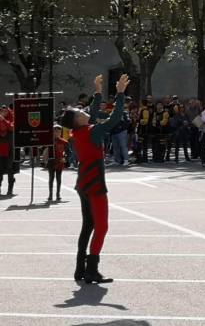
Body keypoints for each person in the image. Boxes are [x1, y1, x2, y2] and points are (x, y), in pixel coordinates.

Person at [59, 73, 129, 283]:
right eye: (80, 111)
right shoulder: (92, 132)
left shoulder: (78, 133)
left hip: (83, 184)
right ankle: (91, 269)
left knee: (88, 226)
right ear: (77, 119)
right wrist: (119, 94)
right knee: (102, 227)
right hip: (95, 185)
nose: (84, 111)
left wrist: (98, 91)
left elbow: (91, 111)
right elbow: (115, 118)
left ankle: (81, 268)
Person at [43, 124, 68, 203]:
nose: (57, 133)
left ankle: (58, 194)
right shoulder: (48, 141)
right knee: (51, 178)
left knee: (59, 179)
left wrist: (65, 158)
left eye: (59, 132)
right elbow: (43, 150)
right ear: (52, 132)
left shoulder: (64, 142)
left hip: (60, 162)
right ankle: (50, 195)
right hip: (51, 162)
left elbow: (68, 152)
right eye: (55, 131)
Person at [0, 103, 16, 196]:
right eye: (2, 111)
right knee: (0, 168)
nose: (4, 112)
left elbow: (11, 127)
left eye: (5, 111)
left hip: (9, 147)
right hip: (1, 147)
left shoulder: (11, 118)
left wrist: (4, 120)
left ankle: (10, 188)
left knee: (10, 168)